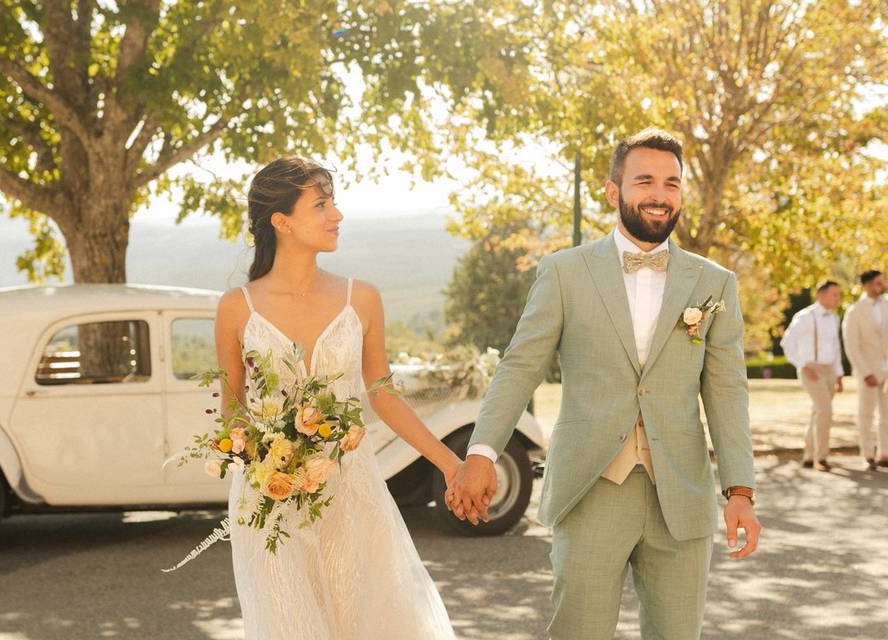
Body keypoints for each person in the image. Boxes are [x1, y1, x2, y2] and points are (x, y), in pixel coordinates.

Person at [447, 127, 759, 639]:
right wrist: (482, 451)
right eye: (644, 181)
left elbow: (727, 391)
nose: (659, 195)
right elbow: (520, 366)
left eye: (672, 183)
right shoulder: (564, 272)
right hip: (590, 488)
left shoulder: (714, 282)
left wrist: (740, 490)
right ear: (614, 192)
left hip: (681, 494)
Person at [213, 157, 458, 640]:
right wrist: (260, 457)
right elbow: (232, 410)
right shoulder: (235, 307)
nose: (337, 214)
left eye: (334, 202)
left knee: (369, 618)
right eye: (321, 204)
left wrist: (451, 464)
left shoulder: (360, 298)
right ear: (281, 222)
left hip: (352, 490)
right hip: (270, 502)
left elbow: (383, 394)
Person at [781, 280, 844, 471]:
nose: (838, 299)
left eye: (838, 295)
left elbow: (836, 347)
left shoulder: (834, 318)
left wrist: (839, 375)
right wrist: (802, 365)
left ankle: (809, 455)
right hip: (811, 370)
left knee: (818, 411)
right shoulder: (805, 317)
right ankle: (821, 458)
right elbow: (787, 342)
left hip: (830, 370)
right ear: (821, 295)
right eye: (834, 294)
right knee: (825, 410)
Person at [842, 270, 888, 471]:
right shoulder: (854, 311)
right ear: (867, 285)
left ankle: (884, 454)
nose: (882, 286)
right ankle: (868, 455)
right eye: (878, 283)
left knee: (887, 414)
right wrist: (866, 371)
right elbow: (851, 345)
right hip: (867, 370)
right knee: (866, 415)